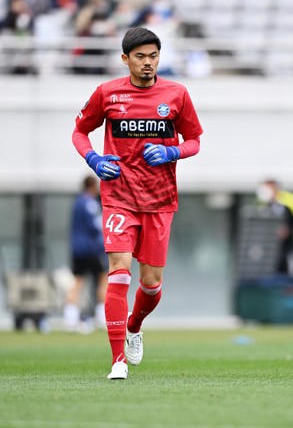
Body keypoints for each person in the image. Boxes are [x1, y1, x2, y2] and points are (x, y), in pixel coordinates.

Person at [71, 27, 203, 379]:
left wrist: (172, 150)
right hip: (119, 198)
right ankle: (118, 360)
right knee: (118, 273)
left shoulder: (177, 94)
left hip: (160, 200)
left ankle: (134, 324)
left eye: (153, 56)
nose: (148, 63)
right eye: (141, 56)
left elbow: (194, 140)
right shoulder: (107, 93)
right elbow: (80, 131)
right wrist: (94, 160)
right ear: (125, 59)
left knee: (151, 284)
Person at [63, 175, 108, 332]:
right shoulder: (90, 203)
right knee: (103, 278)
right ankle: (102, 317)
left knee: (77, 281)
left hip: (77, 249)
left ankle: (70, 319)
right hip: (91, 249)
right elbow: (97, 226)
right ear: (93, 186)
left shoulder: (77, 203)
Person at [256, 179, 293, 274]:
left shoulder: (285, 206)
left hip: (281, 255)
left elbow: (287, 228)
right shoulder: (262, 208)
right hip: (263, 256)